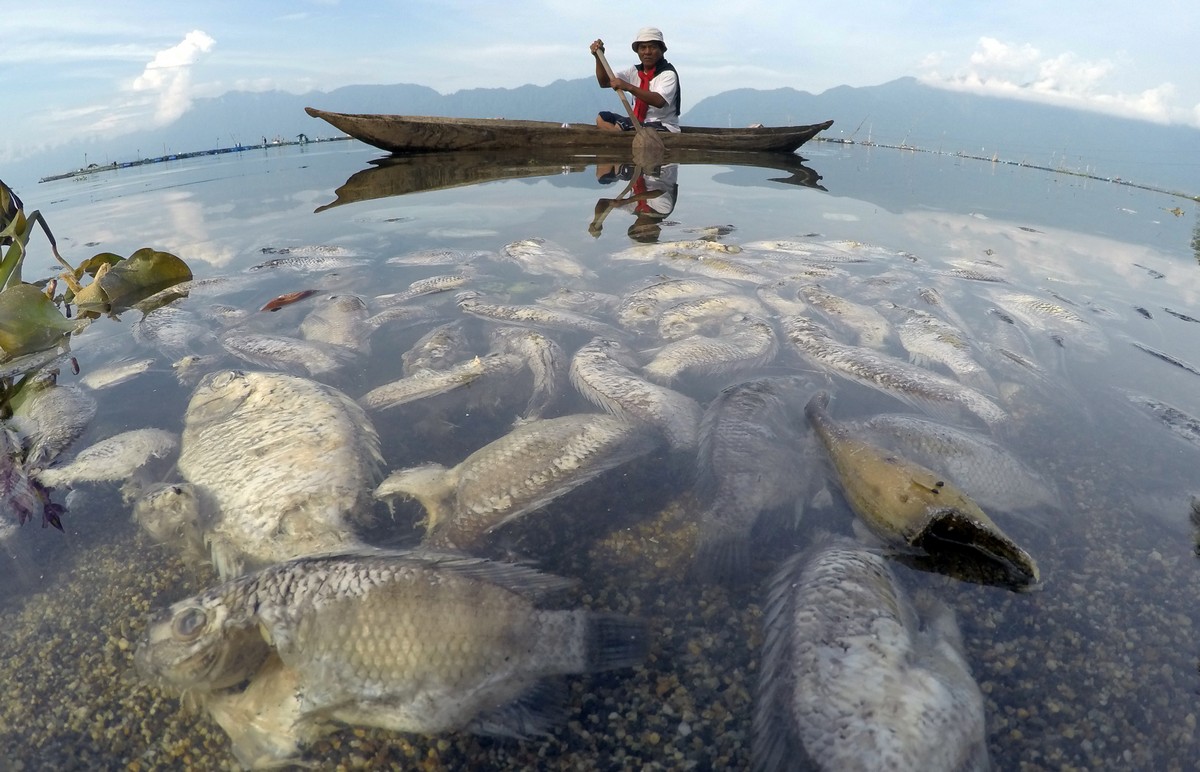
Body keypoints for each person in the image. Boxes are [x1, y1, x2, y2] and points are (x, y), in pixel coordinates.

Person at [590, 27, 681, 133]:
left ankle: (620, 140)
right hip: (639, 122)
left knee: (622, 125)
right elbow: (604, 82)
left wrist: (629, 87)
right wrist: (598, 57)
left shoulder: (668, 74)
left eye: (652, 47)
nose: (647, 52)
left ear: (662, 50)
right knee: (603, 118)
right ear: (637, 51)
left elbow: (659, 101)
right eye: (643, 48)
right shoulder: (634, 71)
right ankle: (621, 138)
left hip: (664, 126)